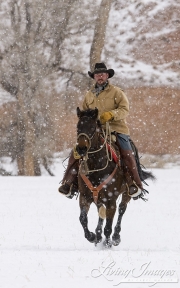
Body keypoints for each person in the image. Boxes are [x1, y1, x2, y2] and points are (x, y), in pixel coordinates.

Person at [58, 62, 145, 199]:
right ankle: (69, 184)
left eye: (102, 74)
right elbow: (85, 113)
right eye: (97, 74)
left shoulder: (117, 92)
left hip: (116, 129)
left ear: (107, 76)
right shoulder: (89, 95)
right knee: (75, 154)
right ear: (94, 77)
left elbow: (124, 109)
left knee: (127, 155)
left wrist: (111, 115)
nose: (100, 76)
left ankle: (135, 184)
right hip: (94, 132)